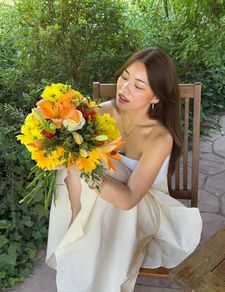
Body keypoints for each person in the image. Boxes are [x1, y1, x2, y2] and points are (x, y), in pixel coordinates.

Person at [46, 47, 202, 292]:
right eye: (125, 77)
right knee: (76, 166)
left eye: (139, 86)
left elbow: (129, 199)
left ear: (156, 97)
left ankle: (84, 261)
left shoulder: (159, 137)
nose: (124, 88)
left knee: (95, 174)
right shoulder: (103, 112)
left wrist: (82, 167)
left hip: (140, 207)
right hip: (96, 206)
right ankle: (81, 250)